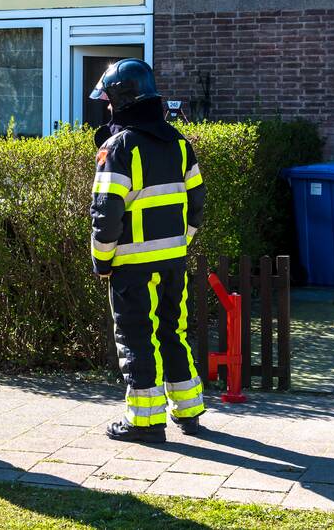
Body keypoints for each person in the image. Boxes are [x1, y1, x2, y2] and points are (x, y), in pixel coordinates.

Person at [89, 59, 207, 443]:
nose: (107, 107)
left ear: (122, 100)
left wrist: (102, 260)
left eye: (109, 101)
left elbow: (106, 212)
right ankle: (188, 411)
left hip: (131, 266)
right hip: (173, 261)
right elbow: (197, 202)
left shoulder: (116, 147)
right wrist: (180, 243)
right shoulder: (179, 143)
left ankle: (144, 422)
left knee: (137, 337)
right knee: (174, 332)